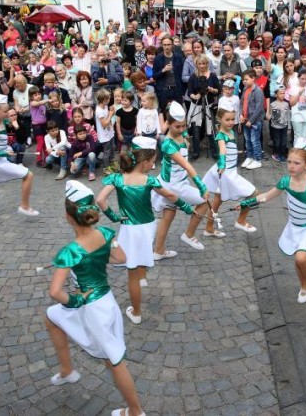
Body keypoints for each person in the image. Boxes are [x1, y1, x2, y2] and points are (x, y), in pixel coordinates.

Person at [43, 182, 145, 416]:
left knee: (114, 361)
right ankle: (67, 370)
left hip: (92, 309)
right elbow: (120, 258)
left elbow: (55, 292)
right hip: (106, 301)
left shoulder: (70, 251)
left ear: (68, 217)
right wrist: (96, 258)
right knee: (52, 317)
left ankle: (136, 411)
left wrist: (77, 300)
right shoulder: (106, 234)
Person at [97, 137, 194, 324]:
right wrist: (187, 207)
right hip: (148, 226)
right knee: (140, 257)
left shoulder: (118, 178)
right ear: (143, 163)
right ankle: (140, 290)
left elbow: (101, 200)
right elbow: (170, 195)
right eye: (152, 161)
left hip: (130, 229)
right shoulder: (149, 180)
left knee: (132, 270)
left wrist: (113, 217)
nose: (154, 164)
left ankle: (136, 311)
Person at [239, 142, 306, 303]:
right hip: (293, 227)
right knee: (297, 259)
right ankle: (303, 285)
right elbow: (266, 196)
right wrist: (245, 203)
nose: (291, 166)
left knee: (301, 258)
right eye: (289, 162)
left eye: (296, 163)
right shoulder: (285, 181)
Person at [151, 102, 211, 257]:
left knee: (168, 216)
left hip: (176, 182)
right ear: (168, 124)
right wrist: (201, 185)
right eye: (177, 127)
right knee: (203, 201)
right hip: (174, 185)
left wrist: (185, 136)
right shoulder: (167, 145)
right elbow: (187, 165)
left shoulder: (181, 135)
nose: (182, 129)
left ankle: (158, 251)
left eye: (184, 126)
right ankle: (189, 234)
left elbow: (184, 138)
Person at [0, 94, 39, 226]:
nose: (8, 113)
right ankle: (24, 206)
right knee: (28, 175)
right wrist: (2, 153)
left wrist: (14, 128)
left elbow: (11, 139)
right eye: (5, 112)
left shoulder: (1, 122)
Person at [202, 108, 258, 237]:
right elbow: (222, 148)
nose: (231, 122)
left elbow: (230, 149)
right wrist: (222, 161)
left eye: (233, 119)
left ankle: (208, 228)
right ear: (219, 120)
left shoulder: (231, 132)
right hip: (226, 173)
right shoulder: (221, 135)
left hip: (230, 171)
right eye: (227, 120)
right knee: (253, 193)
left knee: (216, 202)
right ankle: (241, 220)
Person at [240, 69, 266, 169]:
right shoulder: (245, 89)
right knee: (247, 140)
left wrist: (251, 121)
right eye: (243, 79)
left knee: (255, 140)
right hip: (245, 119)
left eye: (246, 79)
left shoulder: (258, 91)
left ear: (253, 78)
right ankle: (249, 157)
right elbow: (241, 103)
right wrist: (241, 115)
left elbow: (259, 108)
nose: (244, 81)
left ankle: (257, 159)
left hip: (254, 121)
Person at [269, 86, 290, 163]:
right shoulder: (273, 104)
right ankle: (276, 153)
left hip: (284, 126)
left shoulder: (286, 104)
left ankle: (283, 154)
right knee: (277, 141)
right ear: (276, 95)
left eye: (284, 93)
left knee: (284, 141)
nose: (283, 95)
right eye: (280, 93)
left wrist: (289, 127)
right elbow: (270, 115)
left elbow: (288, 115)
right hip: (275, 127)